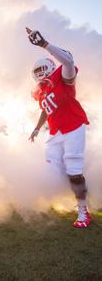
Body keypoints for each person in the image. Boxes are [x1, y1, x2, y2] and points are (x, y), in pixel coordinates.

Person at [26, 27, 90, 228]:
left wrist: (44, 44)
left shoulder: (62, 77)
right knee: (52, 171)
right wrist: (37, 128)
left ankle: (83, 212)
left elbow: (69, 61)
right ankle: (75, 188)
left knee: (73, 169)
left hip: (73, 126)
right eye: (36, 72)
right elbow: (46, 110)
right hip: (55, 133)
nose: (40, 74)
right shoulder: (41, 92)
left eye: (41, 69)